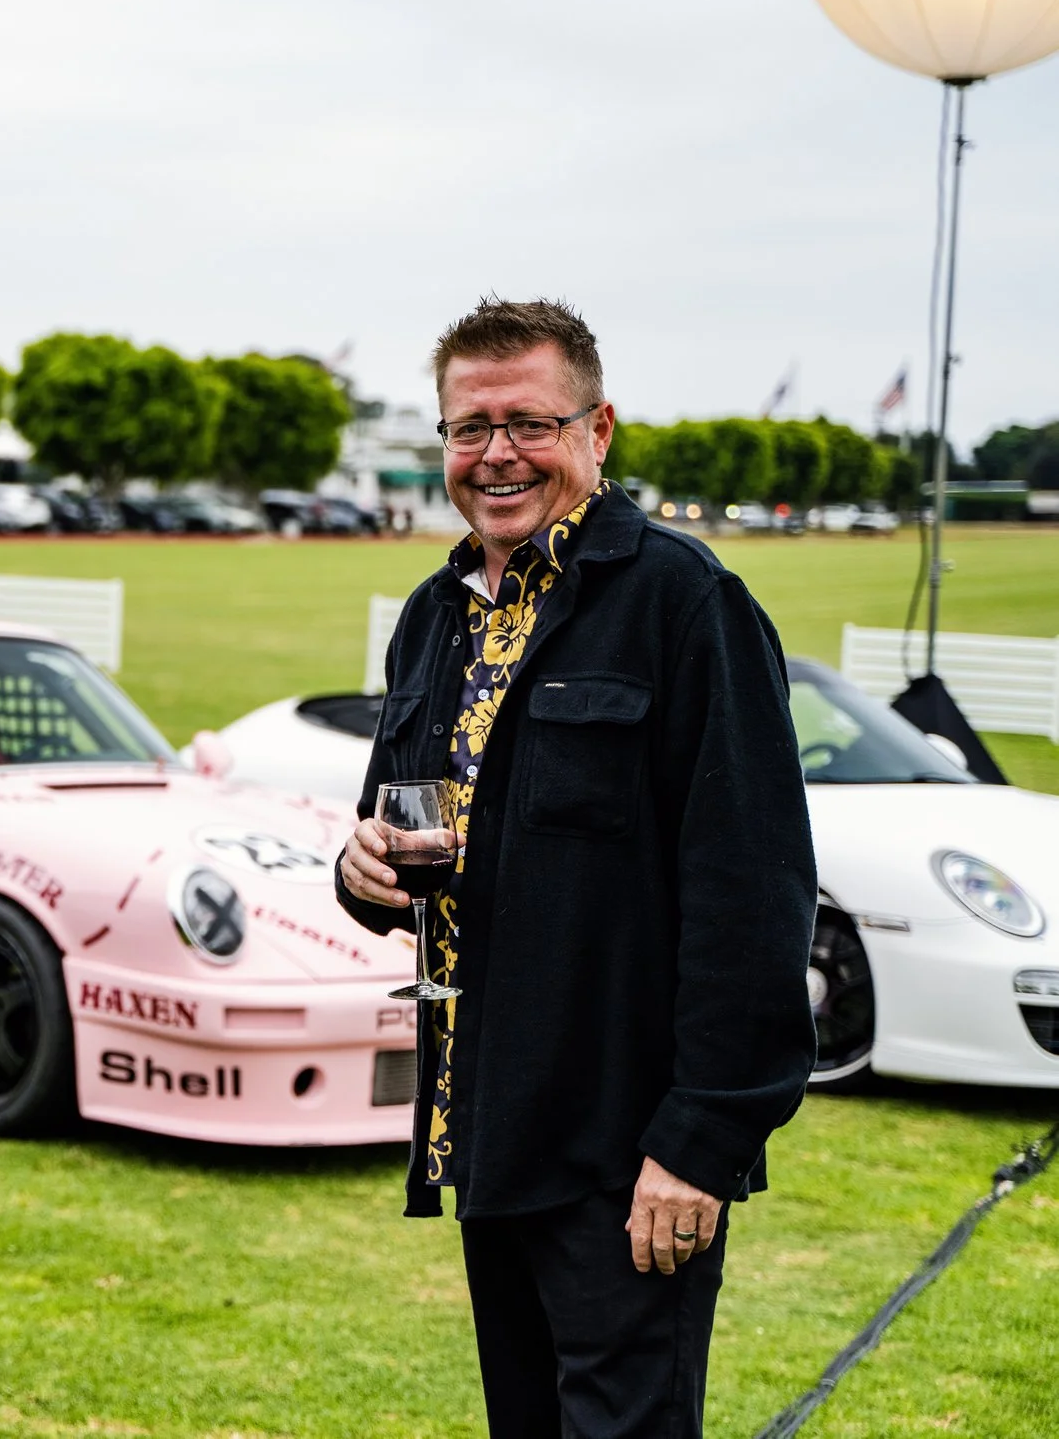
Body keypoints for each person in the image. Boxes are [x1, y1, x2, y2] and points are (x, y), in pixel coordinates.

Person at [334, 298, 817, 1439]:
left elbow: (754, 895)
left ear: (597, 429)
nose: (496, 453)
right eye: (469, 427)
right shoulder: (433, 615)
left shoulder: (684, 601)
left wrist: (700, 1143)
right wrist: (361, 874)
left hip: (623, 1154)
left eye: (529, 423)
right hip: (487, 1131)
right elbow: (395, 833)